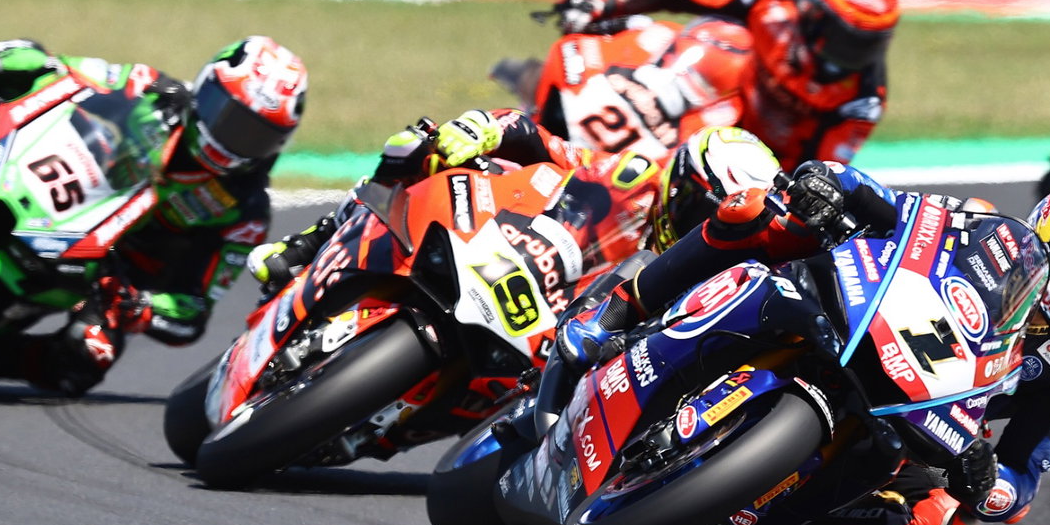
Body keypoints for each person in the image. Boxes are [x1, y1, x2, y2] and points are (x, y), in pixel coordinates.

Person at [551, 166, 1050, 525]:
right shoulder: (987, 227)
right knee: (762, 211)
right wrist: (836, 185)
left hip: (924, 425)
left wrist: (987, 480)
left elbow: (1024, 479)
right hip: (859, 312)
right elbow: (902, 211)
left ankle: (750, 515)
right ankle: (622, 309)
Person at [0, 35, 308, 395]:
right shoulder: (146, 88)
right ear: (205, 89)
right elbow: (56, 66)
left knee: (83, 361)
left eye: (253, 133)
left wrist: (138, 306)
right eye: (227, 114)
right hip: (40, 190)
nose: (231, 139)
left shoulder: (243, 211)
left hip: (99, 273)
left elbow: (194, 312)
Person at [246, 109, 782, 301]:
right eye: (694, 206)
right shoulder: (632, 175)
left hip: (562, 341)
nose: (694, 225)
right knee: (422, 147)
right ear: (679, 184)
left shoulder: (706, 279)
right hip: (512, 261)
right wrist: (484, 128)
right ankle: (311, 244)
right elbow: (539, 142)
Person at [550, 0, 901, 168]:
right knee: (715, 39)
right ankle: (586, 109)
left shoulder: (864, 98)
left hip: (757, 164)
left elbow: (824, 168)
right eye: (845, 37)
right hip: (715, 98)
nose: (853, 53)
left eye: (867, 42)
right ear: (811, 10)